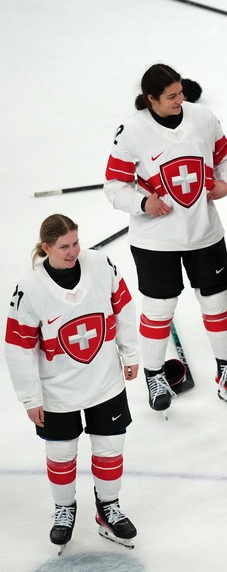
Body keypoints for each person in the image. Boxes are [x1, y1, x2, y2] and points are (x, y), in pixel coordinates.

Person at [104, 63, 227, 413]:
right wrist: (143, 202)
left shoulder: (202, 117)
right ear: (151, 98)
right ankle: (155, 374)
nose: (180, 100)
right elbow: (113, 187)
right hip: (156, 242)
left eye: (181, 92)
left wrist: (225, 182)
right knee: (159, 309)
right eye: (171, 96)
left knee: (217, 303)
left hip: (204, 234)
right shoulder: (132, 131)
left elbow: (225, 157)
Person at [4, 215, 140, 552]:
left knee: (110, 448)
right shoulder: (30, 287)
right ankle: (64, 508)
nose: (73, 251)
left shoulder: (99, 263)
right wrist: (29, 397)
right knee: (61, 452)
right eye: (64, 246)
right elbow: (17, 346)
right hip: (57, 391)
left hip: (105, 380)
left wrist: (131, 353)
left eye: (76, 243)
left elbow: (123, 307)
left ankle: (108, 508)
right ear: (46, 248)